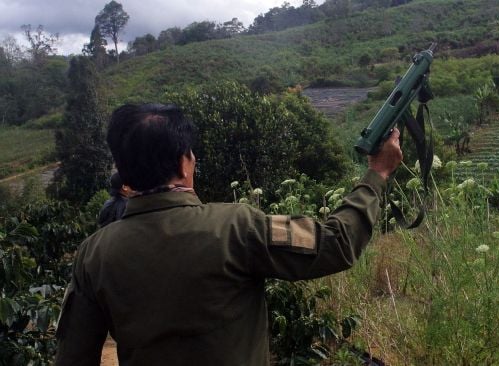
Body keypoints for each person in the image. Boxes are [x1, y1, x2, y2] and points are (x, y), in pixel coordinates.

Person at [54, 103, 403, 365]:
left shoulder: (93, 254)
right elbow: (336, 242)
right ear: (184, 163)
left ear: (123, 170)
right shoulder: (236, 226)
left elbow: (74, 357)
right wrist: (376, 175)